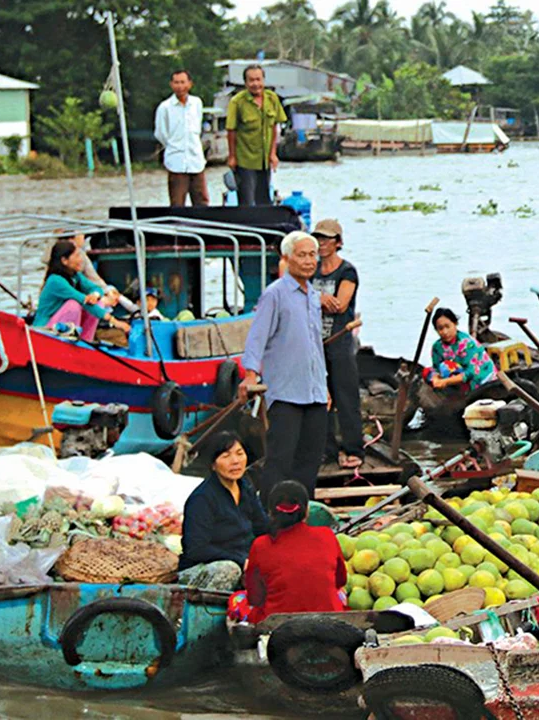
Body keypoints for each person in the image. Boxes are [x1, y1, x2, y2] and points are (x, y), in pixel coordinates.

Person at [241, 231, 328, 501]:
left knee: (310, 459)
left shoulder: (313, 296)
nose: (308, 261)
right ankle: (271, 516)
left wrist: (324, 385)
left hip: (314, 391)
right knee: (280, 460)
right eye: (302, 255)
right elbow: (257, 337)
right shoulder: (275, 294)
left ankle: (303, 513)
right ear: (287, 258)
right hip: (286, 391)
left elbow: (315, 344)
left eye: (312, 254)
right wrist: (251, 374)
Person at [178, 432, 269, 591]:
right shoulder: (202, 499)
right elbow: (197, 549)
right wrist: (241, 560)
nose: (235, 461)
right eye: (226, 456)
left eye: (239, 454)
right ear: (213, 464)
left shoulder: (245, 488)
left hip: (242, 561)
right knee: (229, 569)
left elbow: (263, 527)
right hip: (204, 568)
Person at [244, 481, 347, 620]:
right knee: (341, 594)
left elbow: (255, 598)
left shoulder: (260, 545)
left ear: (270, 512)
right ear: (307, 511)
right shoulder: (327, 535)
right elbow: (340, 580)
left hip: (278, 624)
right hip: (329, 621)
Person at [312, 219, 363, 470]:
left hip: (339, 341)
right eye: (318, 239)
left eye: (326, 240)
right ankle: (326, 450)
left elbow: (340, 305)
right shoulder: (311, 270)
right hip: (314, 342)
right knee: (320, 398)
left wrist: (315, 299)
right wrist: (320, 298)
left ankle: (353, 448)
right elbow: (303, 297)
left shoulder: (347, 271)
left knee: (345, 396)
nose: (322, 244)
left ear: (337, 243)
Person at [34, 240, 130, 341]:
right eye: (76, 256)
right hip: (44, 329)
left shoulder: (75, 276)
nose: (80, 260)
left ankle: (86, 340)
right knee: (73, 305)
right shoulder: (56, 281)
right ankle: (69, 340)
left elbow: (96, 288)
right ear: (64, 260)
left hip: (59, 323)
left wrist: (95, 295)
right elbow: (83, 301)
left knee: (98, 303)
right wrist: (115, 322)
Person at [226, 64, 285, 207]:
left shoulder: (272, 99)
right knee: (247, 201)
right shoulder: (237, 102)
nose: (255, 84)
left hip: (264, 160)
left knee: (265, 201)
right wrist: (232, 156)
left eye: (258, 80)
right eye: (251, 80)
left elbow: (274, 127)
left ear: (263, 80)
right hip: (245, 159)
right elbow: (231, 130)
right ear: (245, 83)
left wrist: (273, 154)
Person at [153, 69, 208, 207]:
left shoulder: (196, 103)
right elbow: (160, 133)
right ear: (171, 84)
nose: (180, 86)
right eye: (176, 82)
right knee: (177, 203)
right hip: (176, 162)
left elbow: (197, 128)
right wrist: (173, 145)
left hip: (196, 161)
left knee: (202, 201)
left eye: (183, 82)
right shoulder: (165, 107)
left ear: (190, 84)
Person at [428, 308, 497, 393]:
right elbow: (436, 368)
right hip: (457, 375)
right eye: (440, 328)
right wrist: (435, 378)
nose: (445, 332)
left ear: (455, 324)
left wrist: (445, 382)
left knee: (446, 367)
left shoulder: (467, 343)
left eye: (447, 326)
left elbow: (470, 372)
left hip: (481, 377)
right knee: (428, 372)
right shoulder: (437, 347)